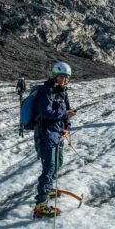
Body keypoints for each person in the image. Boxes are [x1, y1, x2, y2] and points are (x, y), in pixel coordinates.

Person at [33, 62, 77, 218]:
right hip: (46, 134)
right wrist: (65, 114)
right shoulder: (46, 91)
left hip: (58, 133)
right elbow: (46, 112)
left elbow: (67, 110)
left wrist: (67, 126)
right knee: (49, 167)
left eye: (67, 78)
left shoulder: (62, 91)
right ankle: (40, 205)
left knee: (58, 162)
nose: (64, 80)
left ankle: (48, 188)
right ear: (54, 75)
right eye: (62, 77)